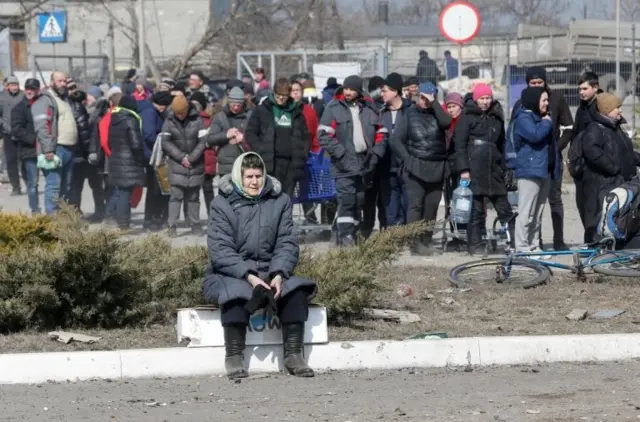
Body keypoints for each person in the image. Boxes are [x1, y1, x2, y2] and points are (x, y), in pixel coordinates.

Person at [202, 151, 317, 379]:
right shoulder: (221, 204)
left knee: (295, 291)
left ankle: (294, 355)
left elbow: (287, 242)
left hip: (270, 270)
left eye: (258, 175)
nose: (254, 181)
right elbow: (220, 250)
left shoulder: (280, 201)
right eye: (249, 177)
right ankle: (234, 357)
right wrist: (250, 276)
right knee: (235, 294)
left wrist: (278, 274)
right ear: (238, 178)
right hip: (232, 273)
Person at [317, 75, 388, 246]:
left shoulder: (369, 109)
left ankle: (351, 234)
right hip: (343, 163)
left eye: (352, 89)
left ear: (358, 91)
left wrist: (376, 155)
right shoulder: (334, 108)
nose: (348, 92)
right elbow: (323, 136)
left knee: (359, 200)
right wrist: (340, 153)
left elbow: (381, 134)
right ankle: (345, 236)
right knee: (347, 200)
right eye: (346, 89)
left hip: (365, 162)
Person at [509, 66, 574, 251]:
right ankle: (527, 245)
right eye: (533, 83)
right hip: (532, 164)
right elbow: (524, 135)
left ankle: (556, 241)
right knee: (528, 209)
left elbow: (569, 129)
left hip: (550, 162)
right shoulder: (524, 108)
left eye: (540, 83)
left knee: (551, 203)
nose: (537, 86)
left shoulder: (556, 99)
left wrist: (554, 148)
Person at [390, 82, 452, 255]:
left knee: (431, 207)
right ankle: (414, 244)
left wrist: (434, 104)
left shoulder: (438, 113)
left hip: (437, 167)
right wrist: (408, 159)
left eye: (427, 98)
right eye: (422, 97)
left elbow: (447, 123)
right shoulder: (409, 115)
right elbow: (395, 140)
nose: (424, 101)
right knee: (415, 206)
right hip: (415, 167)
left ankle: (426, 241)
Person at [453, 83, 513, 255]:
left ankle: (514, 242)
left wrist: (505, 167)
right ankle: (475, 245)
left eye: (488, 98)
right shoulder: (467, 117)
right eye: (482, 98)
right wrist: (464, 169)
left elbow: (502, 144)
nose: (485, 102)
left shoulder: (497, 117)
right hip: (475, 168)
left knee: (504, 209)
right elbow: (460, 146)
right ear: (476, 99)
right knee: (476, 210)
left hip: (494, 169)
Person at [578, 93, 640, 243]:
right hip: (604, 185)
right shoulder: (595, 129)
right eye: (616, 108)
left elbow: (627, 153)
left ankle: (614, 255)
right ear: (606, 110)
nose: (620, 111)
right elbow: (592, 151)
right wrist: (613, 169)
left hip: (619, 183)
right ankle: (597, 257)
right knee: (602, 221)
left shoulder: (615, 128)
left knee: (620, 221)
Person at [511, 87, 558, 254]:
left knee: (537, 214)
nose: (547, 103)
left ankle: (533, 246)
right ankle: (522, 247)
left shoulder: (541, 118)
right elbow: (535, 136)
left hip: (543, 170)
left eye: (547, 100)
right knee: (527, 212)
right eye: (543, 100)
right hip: (530, 171)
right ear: (534, 100)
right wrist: (546, 122)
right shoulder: (524, 118)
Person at [245, 78, 309, 197]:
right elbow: (250, 133)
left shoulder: (296, 112)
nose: (280, 98)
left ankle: (285, 216)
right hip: (270, 162)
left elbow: (305, 136)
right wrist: (260, 149)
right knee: (270, 199)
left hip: (292, 164)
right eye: (278, 95)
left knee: (287, 200)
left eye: (284, 96)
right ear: (273, 93)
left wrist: (303, 154)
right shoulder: (262, 110)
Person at [32, 71, 78, 215]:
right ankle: (52, 220)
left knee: (67, 186)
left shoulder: (64, 99)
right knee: (54, 185)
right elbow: (42, 127)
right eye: (60, 81)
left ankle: (63, 219)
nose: (63, 84)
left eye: (65, 81)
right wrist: (48, 149)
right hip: (55, 149)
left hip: (69, 148)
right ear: (52, 82)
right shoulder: (45, 100)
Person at [161, 95, 207, 237]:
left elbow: (203, 141)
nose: (180, 116)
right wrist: (182, 157)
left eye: (182, 113)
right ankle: (172, 225)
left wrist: (192, 158)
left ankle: (195, 224)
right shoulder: (168, 121)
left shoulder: (198, 120)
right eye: (177, 113)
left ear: (187, 109)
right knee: (176, 197)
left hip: (195, 164)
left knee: (194, 197)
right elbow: (166, 142)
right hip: (177, 164)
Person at [205, 86, 253, 210]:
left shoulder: (250, 116)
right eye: (233, 104)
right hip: (225, 166)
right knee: (226, 201)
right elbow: (210, 139)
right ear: (228, 101)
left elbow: (258, 138)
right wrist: (225, 135)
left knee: (244, 200)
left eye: (239, 104)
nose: (236, 107)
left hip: (246, 165)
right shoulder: (220, 117)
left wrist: (243, 138)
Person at [104, 95, 145, 229]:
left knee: (122, 190)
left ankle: (121, 221)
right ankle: (123, 223)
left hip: (116, 158)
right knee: (125, 193)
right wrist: (141, 160)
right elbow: (136, 144)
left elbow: (110, 141)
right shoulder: (131, 120)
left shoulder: (114, 119)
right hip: (129, 161)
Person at [379, 72, 410, 227]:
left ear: (395, 91)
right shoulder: (381, 112)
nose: (381, 94)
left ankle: (406, 232)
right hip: (386, 165)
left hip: (406, 165)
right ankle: (393, 234)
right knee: (390, 203)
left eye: (385, 90)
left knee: (407, 202)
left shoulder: (410, 110)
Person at [140, 91, 172, 231]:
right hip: (153, 156)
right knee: (154, 190)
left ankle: (156, 217)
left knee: (159, 189)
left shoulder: (155, 112)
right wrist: (164, 143)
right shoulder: (150, 113)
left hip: (157, 155)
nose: (164, 108)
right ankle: (152, 219)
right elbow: (149, 135)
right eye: (162, 105)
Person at [10, 78, 40, 214]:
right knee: (32, 183)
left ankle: (55, 211)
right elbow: (17, 129)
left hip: (47, 149)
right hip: (29, 150)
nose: (30, 91)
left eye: (33, 89)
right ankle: (35, 210)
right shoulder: (19, 108)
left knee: (54, 182)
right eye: (28, 88)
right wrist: (33, 140)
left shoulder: (43, 104)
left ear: (38, 90)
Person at [66, 79, 93, 215]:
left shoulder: (65, 104)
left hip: (71, 149)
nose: (73, 90)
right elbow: (84, 132)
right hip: (78, 152)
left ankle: (72, 210)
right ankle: (74, 210)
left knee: (72, 184)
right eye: (70, 88)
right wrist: (89, 151)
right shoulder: (77, 107)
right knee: (76, 184)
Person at [0, 75, 26, 195]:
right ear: (7, 86)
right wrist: (3, 124)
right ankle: (16, 186)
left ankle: (29, 182)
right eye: (12, 85)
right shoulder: (2, 97)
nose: (14, 87)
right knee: (11, 161)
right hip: (8, 133)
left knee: (24, 159)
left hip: (22, 133)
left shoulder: (23, 96)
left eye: (16, 85)